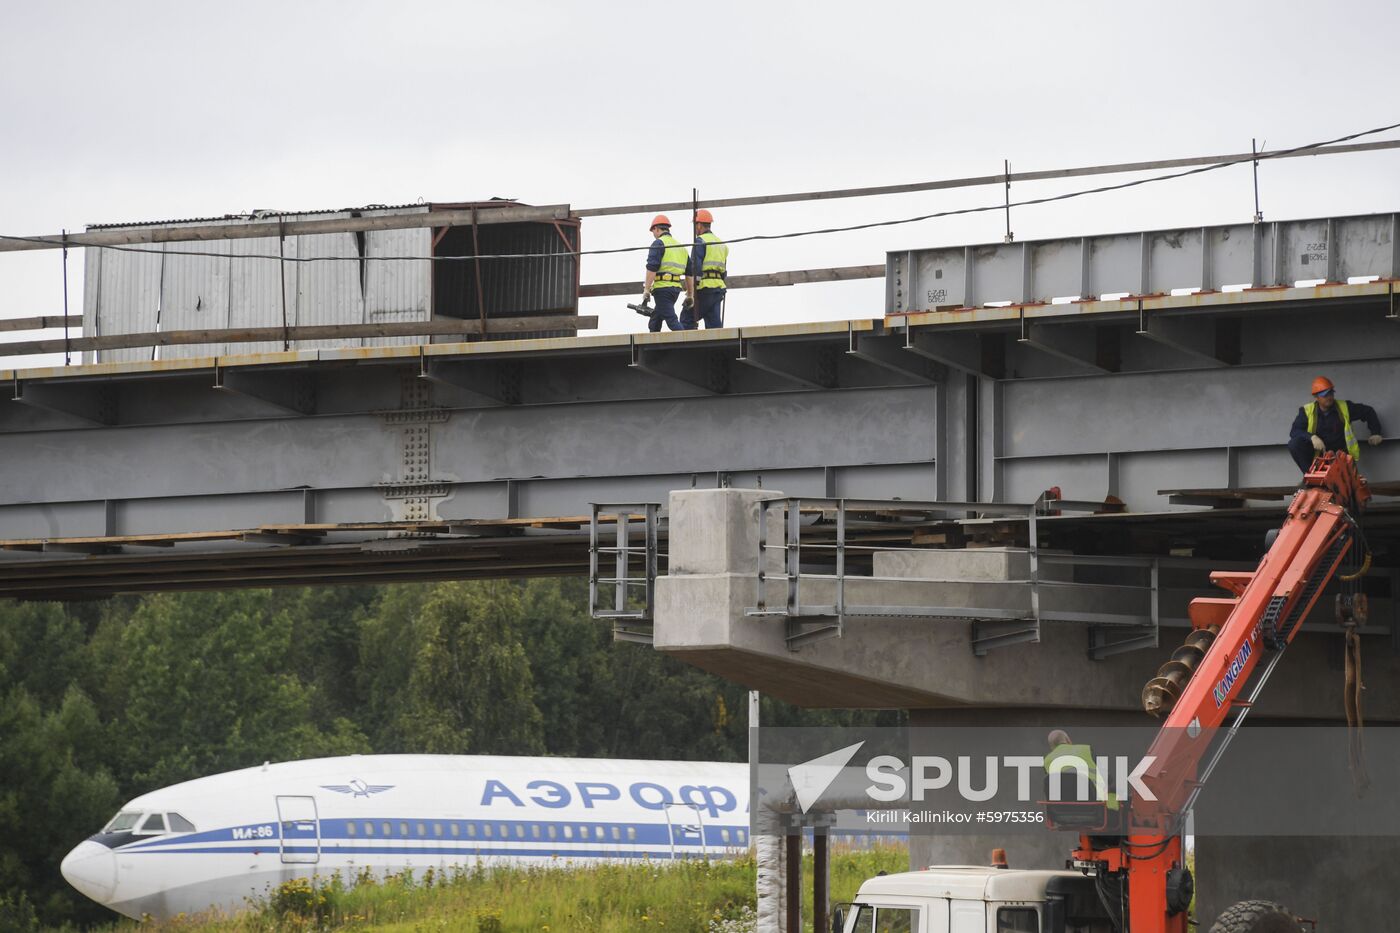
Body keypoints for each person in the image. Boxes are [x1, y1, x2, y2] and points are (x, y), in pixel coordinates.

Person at [1287, 376, 1383, 471]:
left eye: (1331, 393)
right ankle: (1310, 477)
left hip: (1341, 455)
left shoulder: (1345, 407)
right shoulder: (1306, 411)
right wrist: (1312, 437)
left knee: (1345, 485)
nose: (1329, 397)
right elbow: (1295, 431)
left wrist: (1376, 432)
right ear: (1316, 397)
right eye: (1325, 395)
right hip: (1318, 456)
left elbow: (1368, 411)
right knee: (1294, 444)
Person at [642, 215, 690, 333]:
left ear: (657, 228)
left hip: (662, 289)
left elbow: (652, 268)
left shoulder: (658, 243)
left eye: (653, 231)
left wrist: (647, 290)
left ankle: (689, 342)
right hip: (675, 290)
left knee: (672, 320)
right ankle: (652, 344)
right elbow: (690, 273)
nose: (653, 234)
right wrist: (690, 294)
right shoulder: (681, 248)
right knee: (655, 320)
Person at [683, 208, 728, 329]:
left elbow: (695, 267)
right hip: (718, 289)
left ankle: (686, 347)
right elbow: (724, 272)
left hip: (704, 288)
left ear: (699, 225)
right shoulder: (721, 244)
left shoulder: (700, 241)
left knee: (687, 318)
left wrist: (692, 291)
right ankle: (718, 347)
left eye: (695, 224)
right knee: (714, 324)